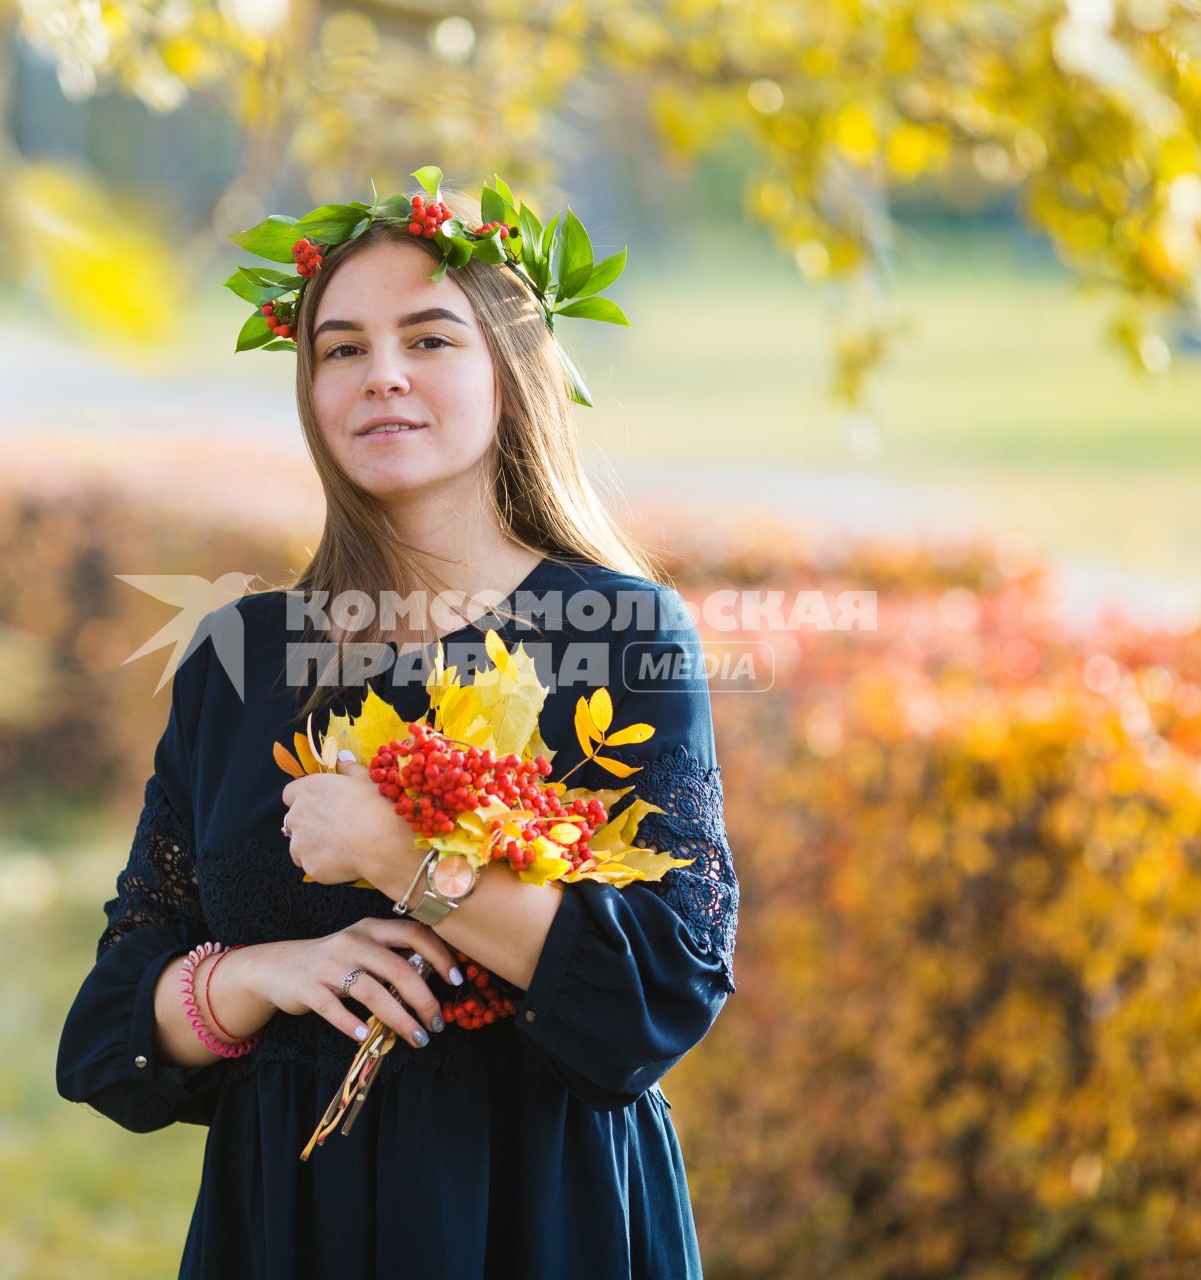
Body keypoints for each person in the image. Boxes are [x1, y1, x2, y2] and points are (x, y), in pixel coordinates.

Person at [56, 181, 740, 1279]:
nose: (382, 373)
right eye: (340, 348)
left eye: (428, 336)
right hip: (295, 1227)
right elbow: (107, 1038)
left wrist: (405, 859)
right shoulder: (244, 656)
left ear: (511, 369)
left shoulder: (616, 631)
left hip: (544, 1219)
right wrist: (269, 971)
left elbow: (661, 991)